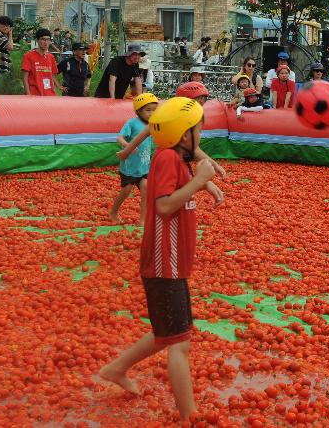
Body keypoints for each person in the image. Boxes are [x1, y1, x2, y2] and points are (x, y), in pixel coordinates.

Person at [98, 97, 223, 422]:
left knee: (166, 331)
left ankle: (115, 369)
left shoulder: (175, 158)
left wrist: (204, 183)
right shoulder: (167, 159)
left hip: (172, 262)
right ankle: (188, 415)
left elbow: (180, 185)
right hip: (163, 263)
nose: (202, 133)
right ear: (184, 135)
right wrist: (199, 182)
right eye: (199, 128)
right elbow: (165, 206)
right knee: (179, 342)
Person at [110, 93, 158, 226]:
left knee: (146, 190)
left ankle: (143, 220)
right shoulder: (132, 123)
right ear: (138, 111)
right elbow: (120, 138)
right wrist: (127, 146)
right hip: (129, 166)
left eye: (154, 110)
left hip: (144, 167)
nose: (151, 113)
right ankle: (113, 212)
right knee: (126, 190)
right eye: (148, 110)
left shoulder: (154, 124)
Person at [21, 29, 61, 96]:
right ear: (37, 40)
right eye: (43, 39)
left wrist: (58, 86)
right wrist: (28, 95)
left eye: (48, 40)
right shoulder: (28, 56)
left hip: (50, 95)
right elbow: (25, 77)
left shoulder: (51, 57)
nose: (46, 42)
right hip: (34, 95)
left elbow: (53, 74)